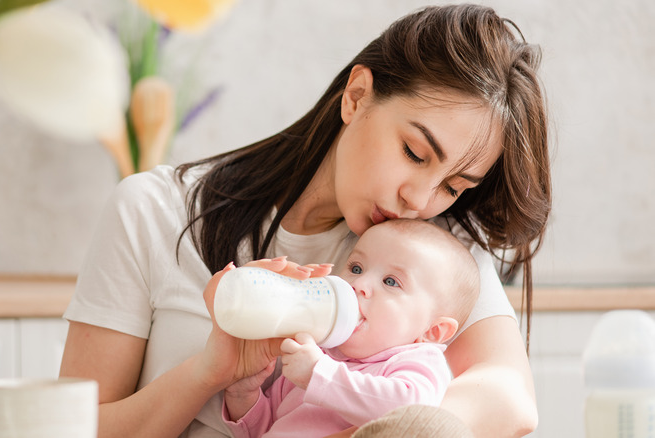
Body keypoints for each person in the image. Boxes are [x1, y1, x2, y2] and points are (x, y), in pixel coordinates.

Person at [59, 3, 551, 438]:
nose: (418, 200)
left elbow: (509, 401)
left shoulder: (432, 251)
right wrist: (209, 372)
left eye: (453, 187)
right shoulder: (153, 210)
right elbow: (73, 429)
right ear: (356, 97)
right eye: (414, 152)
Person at [221, 219, 481, 437]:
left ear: (431, 332)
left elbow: (411, 413)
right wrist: (243, 395)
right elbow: (267, 429)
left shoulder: (414, 362)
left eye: (391, 281)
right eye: (356, 268)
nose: (360, 283)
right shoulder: (318, 352)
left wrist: (319, 376)